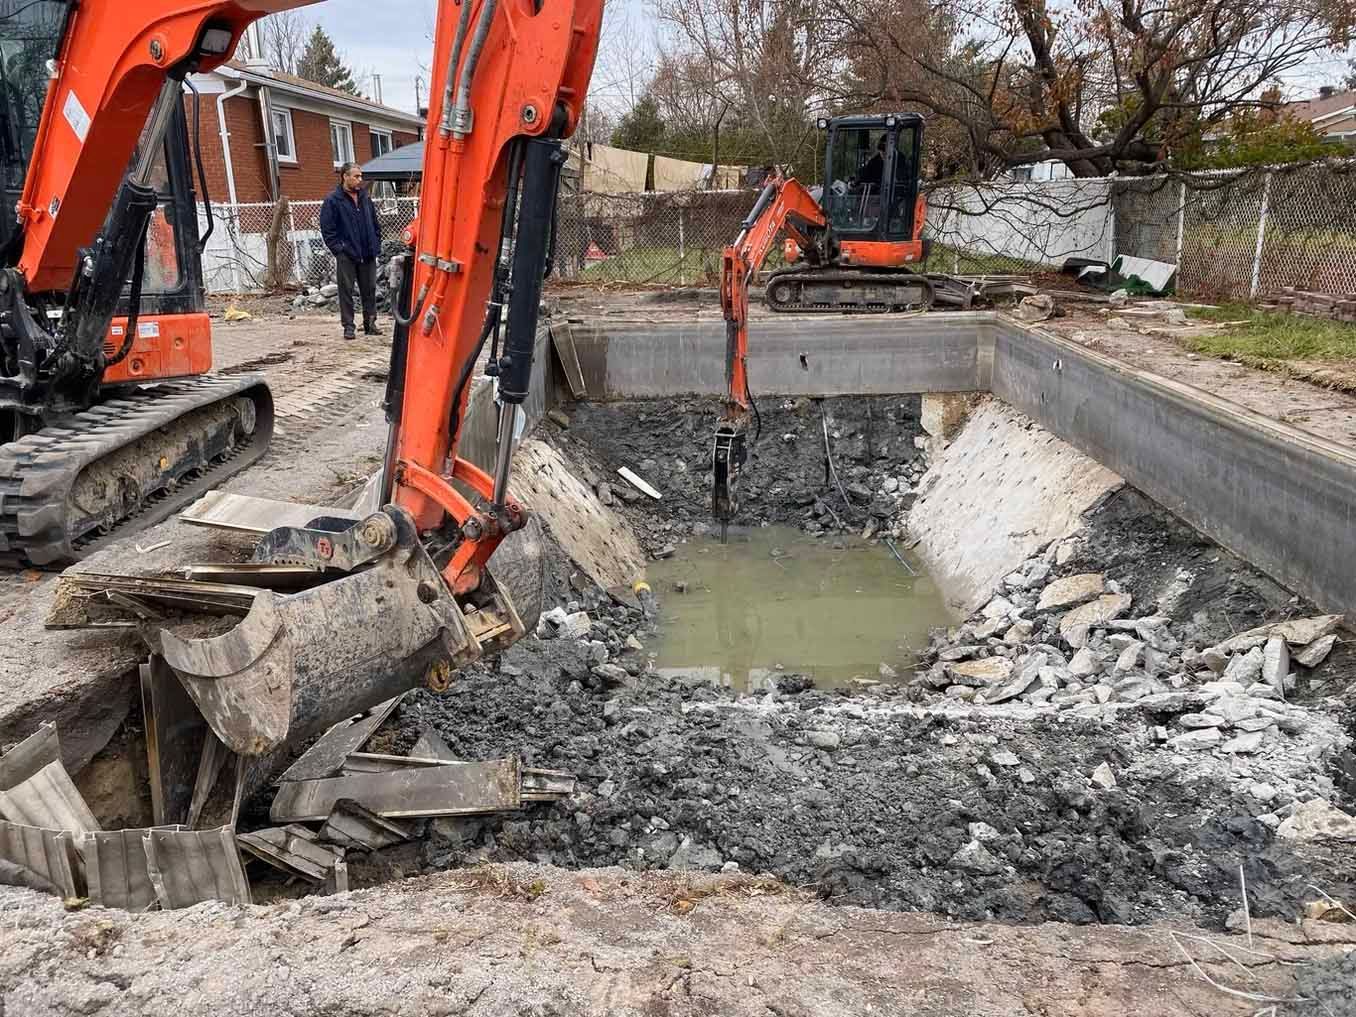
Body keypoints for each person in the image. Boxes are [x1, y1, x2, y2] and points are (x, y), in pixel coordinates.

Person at [319, 162, 384, 339]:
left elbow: (375, 223)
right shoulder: (333, 200)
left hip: (368, 252)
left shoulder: (365, 197)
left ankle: (370, 323)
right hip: (347, 255)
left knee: (369, 290)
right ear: (345, 177)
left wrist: (375, 243)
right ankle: (349, 327)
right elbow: (328, 230)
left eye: (360, 176)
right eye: (356, 176)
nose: (359, 180)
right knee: (346, 291)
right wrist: (340, 250)